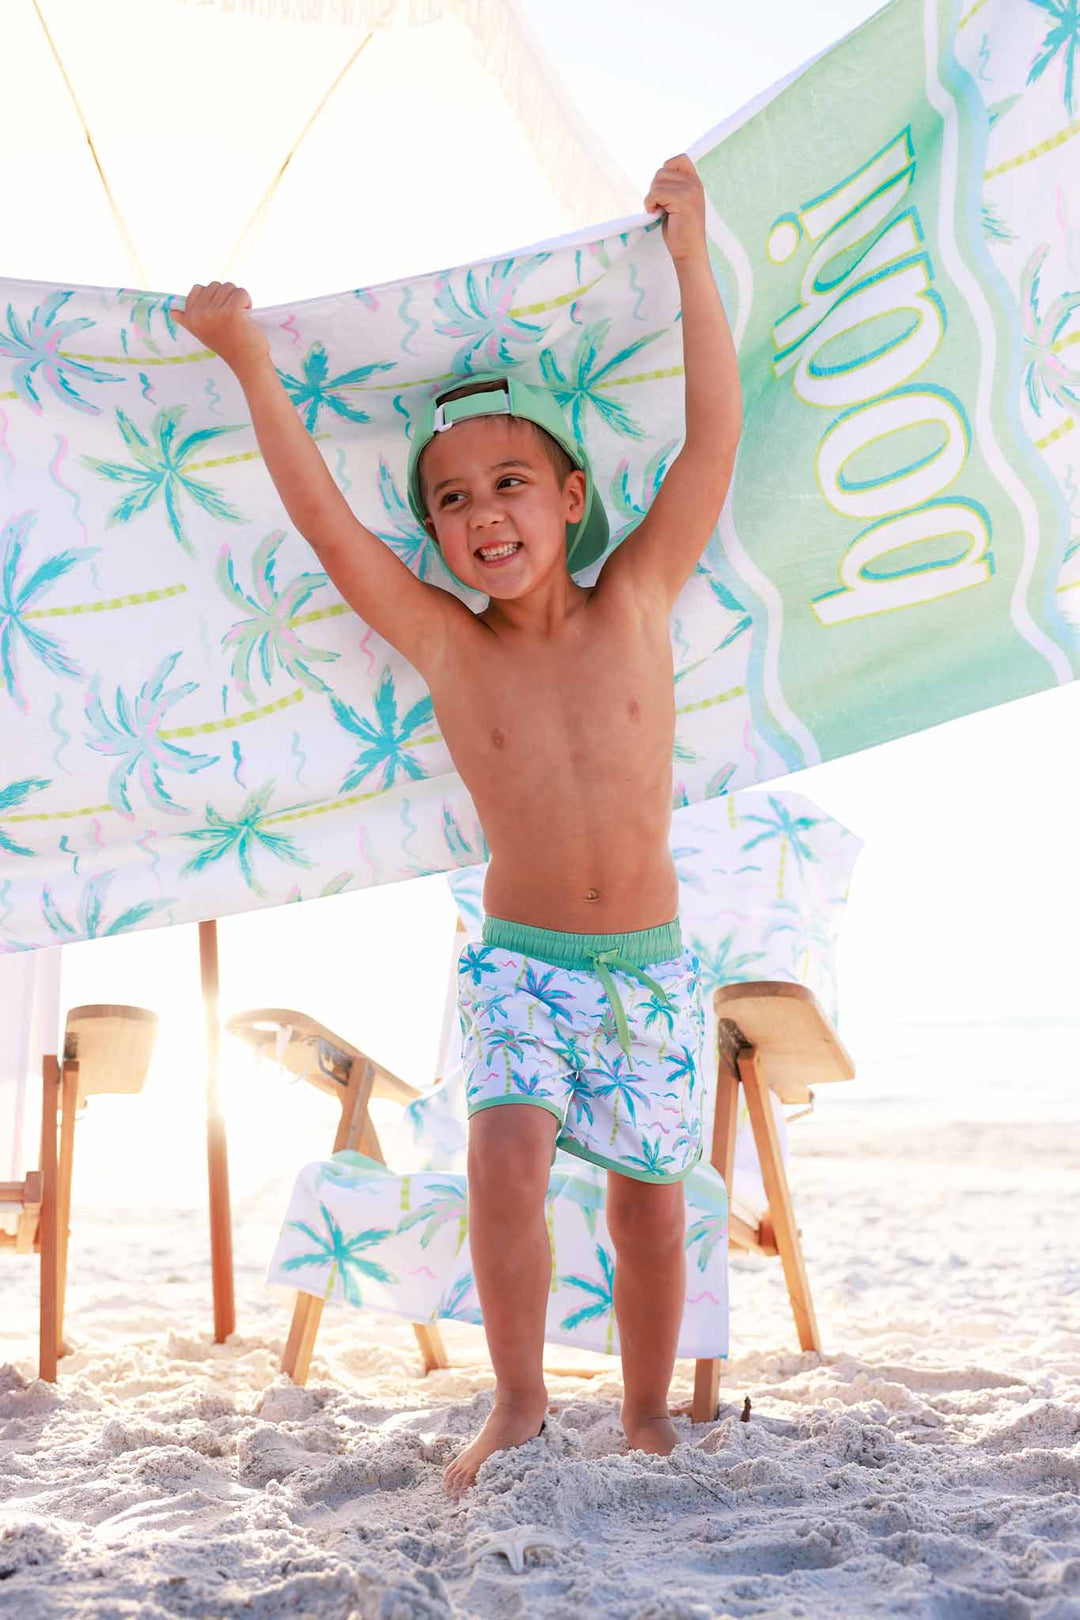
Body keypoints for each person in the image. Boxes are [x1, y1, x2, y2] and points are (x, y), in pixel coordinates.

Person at [174, 152, 741, 1496]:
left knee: (654, 1208)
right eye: (451, 498)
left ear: (570, 499)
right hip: (524, 967)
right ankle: (523, 1401)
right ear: (433, 536)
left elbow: (715, 437)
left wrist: (690, 256)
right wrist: (249, 357)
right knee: (500, 1167)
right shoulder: (445, 645)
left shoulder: (638, 601)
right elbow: (322, 528)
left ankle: (650, 1412)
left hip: (650, 966)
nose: (484, 511)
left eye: (509, 482)